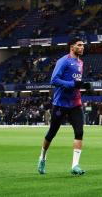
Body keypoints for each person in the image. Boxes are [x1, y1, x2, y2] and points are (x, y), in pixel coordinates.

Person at [38, 37, 91, 176]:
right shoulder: (63, 61)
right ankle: (42, 157)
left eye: (83, 45)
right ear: (72, 47)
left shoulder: (80, 62)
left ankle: (75, 165)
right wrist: (72, 84)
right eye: (79, 45)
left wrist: (82, 85)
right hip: (60, 103)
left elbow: (76, 81)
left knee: (79, 132)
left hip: (75, 104)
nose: (82, 47)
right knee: (51, 133)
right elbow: (54, 80)